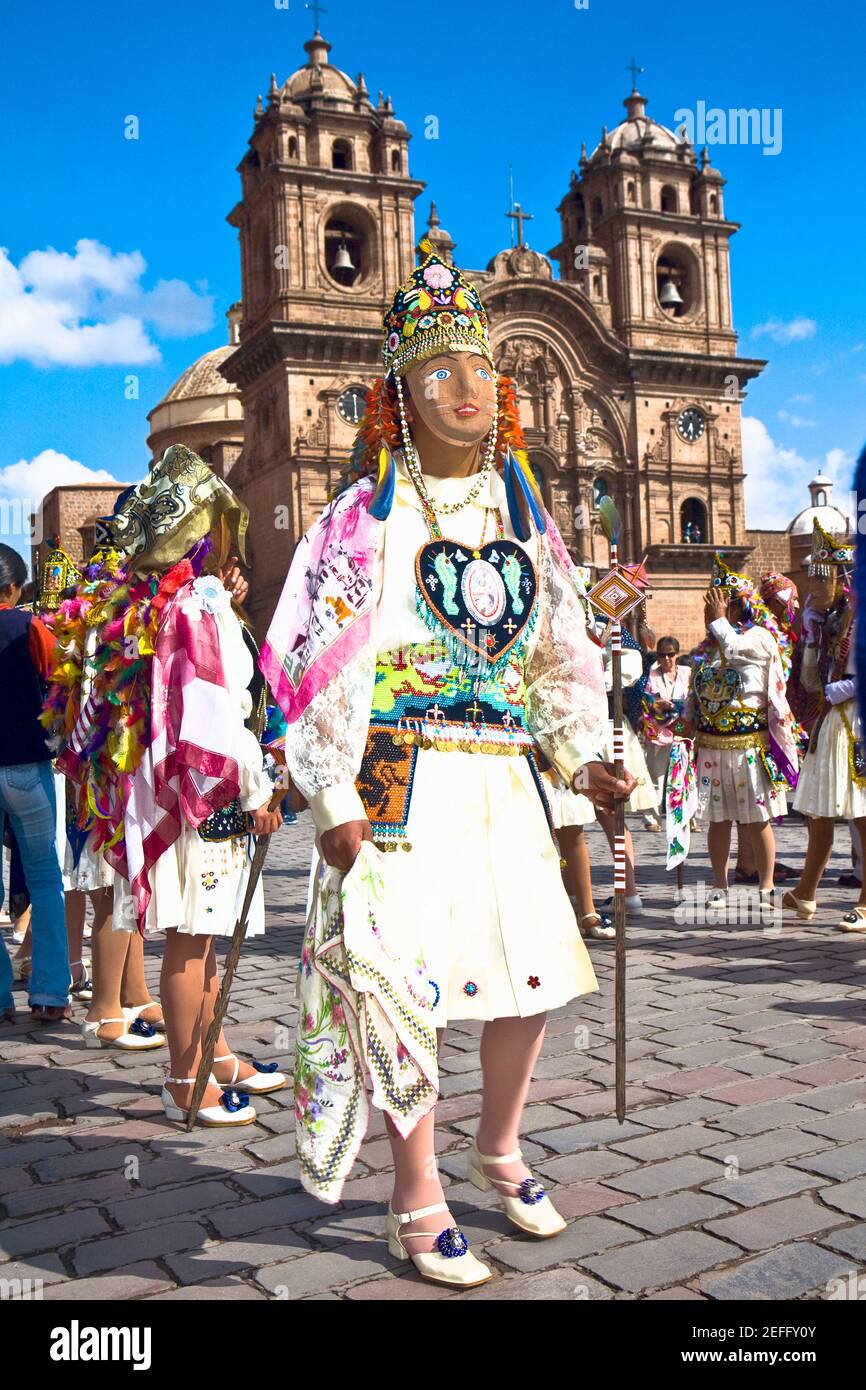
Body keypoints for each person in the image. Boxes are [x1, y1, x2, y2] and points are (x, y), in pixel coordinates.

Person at [261, 240, 632, 1289]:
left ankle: (499, 1145)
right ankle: (414, 1190)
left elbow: (559, 656)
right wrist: (329, 791)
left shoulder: (525, 524)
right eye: (440, 372)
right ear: (396, 398)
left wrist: (582, 757)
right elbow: (310, 661)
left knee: (527, 977)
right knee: (400, 989)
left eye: (481, 371)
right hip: (396, 779)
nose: (466, 389)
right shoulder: (357, 523)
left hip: (504, 777)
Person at [43, 447, 286, 1108]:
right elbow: (212, 714)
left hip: (167, 791)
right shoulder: (197, 605)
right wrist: (260, 787)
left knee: (200, 934)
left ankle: (215, 1052)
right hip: (200, 795)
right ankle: (188, 1078)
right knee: (191, 935)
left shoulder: (160, 602)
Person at [689, 554, 799, 909]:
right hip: (713, 745)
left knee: (756, 817)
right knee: (717, 819)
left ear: (737, 606)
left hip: (749, 741)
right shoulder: (710, 648)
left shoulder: (759, 638)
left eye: (719, 603)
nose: (711, 611)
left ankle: (766, 886)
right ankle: (719, 885)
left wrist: (718, 621)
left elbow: (735, 651)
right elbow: (699, 691)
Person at [0, 543, 69, 1024]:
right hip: (26, 764)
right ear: (13, 588)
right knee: (46, 880)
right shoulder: (32, 629)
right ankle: (48, 993)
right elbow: (58, 687)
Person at [785, 521, 864, 930]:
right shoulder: (827, 621)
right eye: (814, 575)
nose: (816, 584)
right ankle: (806, 893)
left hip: (858, 722)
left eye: (825, 575)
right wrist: (812, 636)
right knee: (820, 814)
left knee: (864, 814)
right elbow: (812, 682)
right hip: (831, 724)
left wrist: (840, 691)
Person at [641, 635, 691, 813]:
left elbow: (694, 698)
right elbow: (645, 701)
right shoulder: (652, 675)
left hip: (681, 727)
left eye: (670, 654)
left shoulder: (687, 673)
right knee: (656, 774)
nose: (666, 659)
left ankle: (687, 815)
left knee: (684, 772)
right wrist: (657, 703)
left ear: (677, 654)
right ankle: (653, 817)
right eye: (662, 655)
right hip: (659, 729)